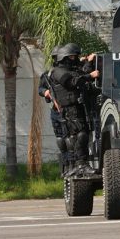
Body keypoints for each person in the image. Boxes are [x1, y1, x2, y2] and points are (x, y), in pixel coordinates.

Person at [50, 43, 100, 176]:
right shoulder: (58, 72)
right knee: (80, 134)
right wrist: (90, 76)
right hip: (70, 109)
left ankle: (79, 165)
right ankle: (80, 165)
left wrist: (89, 63)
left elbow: (82, 74)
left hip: (78, 107)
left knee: (82, 134)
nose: (75, 59)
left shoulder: (71, 70)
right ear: (64, 58)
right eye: (72, 57)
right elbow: (72, 82)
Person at [38, 45, 69, 173]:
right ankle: (66, 160)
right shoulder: (47, 75)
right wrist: (46, 92)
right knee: (60, 136)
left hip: (70, 109)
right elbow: (40, 89)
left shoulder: (70, 73)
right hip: (56, 111)